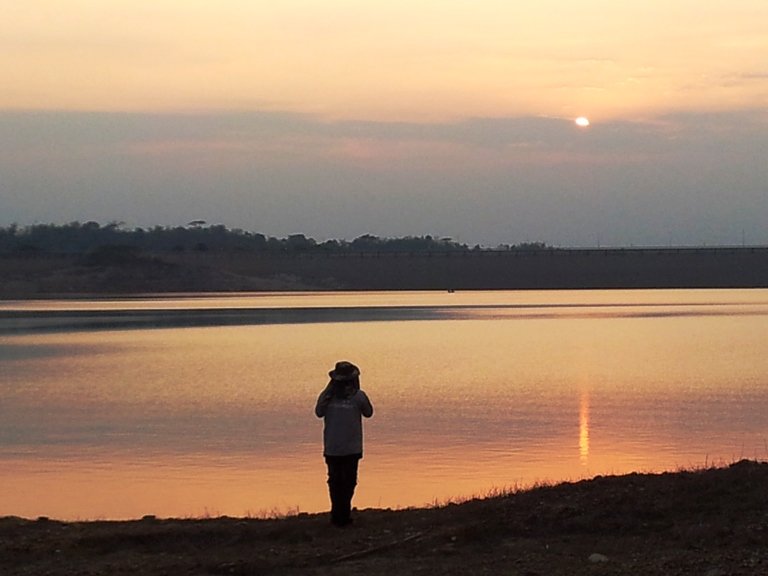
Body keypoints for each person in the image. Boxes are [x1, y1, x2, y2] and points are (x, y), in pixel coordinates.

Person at [315, 360, 373, 526]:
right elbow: (368, 412)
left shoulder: (328, 396)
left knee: (337, 481)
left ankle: (339, 515)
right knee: (346, 482)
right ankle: (342, 515)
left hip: (335, 447)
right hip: (348, 447)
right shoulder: (358, 396)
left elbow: (318, 412)